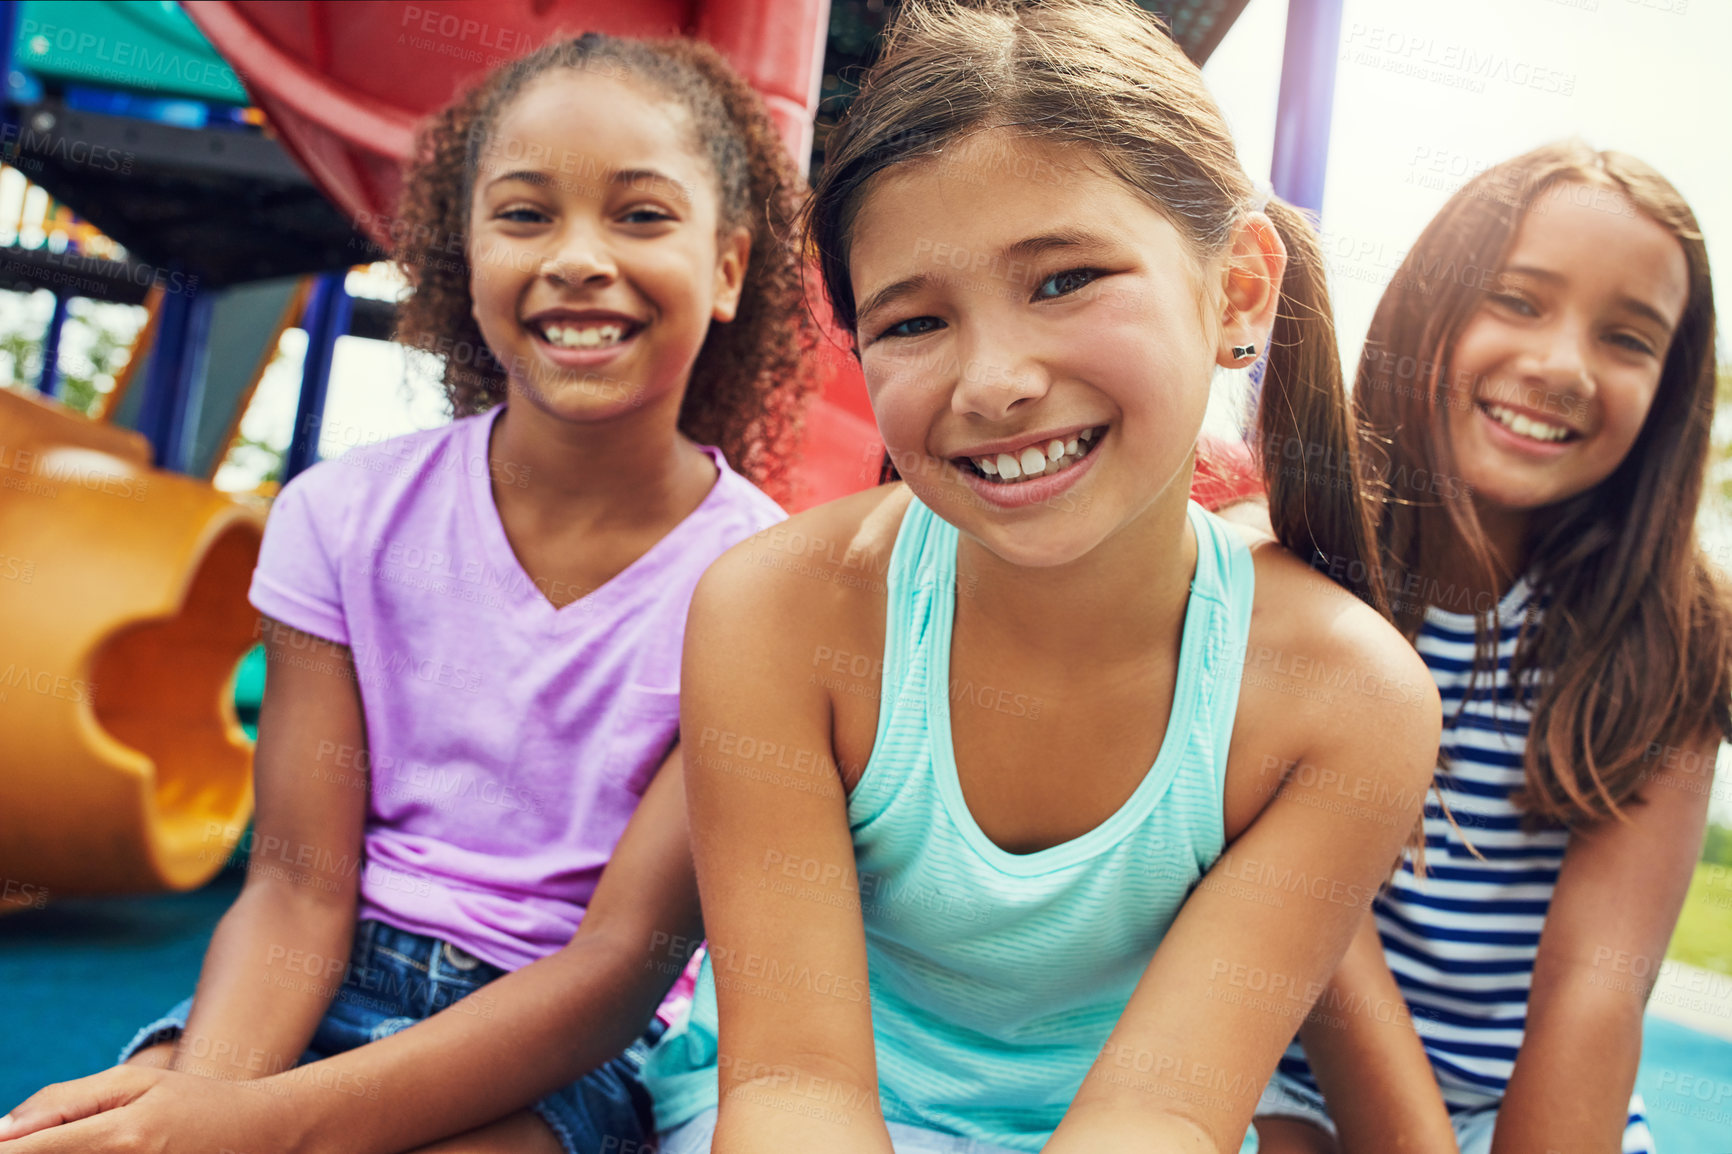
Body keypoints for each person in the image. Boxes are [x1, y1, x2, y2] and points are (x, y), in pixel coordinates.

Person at [639, 2, 1441, 1151]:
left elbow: (1160, 1114)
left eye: (1063, 279)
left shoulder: (1347, 698)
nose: (995, 380)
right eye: (913, 320)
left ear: (1241, 291)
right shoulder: (774, 612)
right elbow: (797, 1089)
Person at [0, 31, 815, 1154]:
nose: (578, 257)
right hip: (323, 976)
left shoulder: (764, 590)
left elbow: (612, 970)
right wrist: (211, 1103)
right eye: (526, 215)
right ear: (459, 259)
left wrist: (260, 1128)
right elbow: (296, 887)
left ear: (728, 267)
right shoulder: (343, 518)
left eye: (640, 215)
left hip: (553, 1045)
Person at [1255, 142, 1732, 1154]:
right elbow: (1318, 941)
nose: (1562, 365)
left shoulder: (1676, 639)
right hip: (1270, 1069)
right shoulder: (1290, 574)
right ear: (1429, 303)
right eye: (1516, 300)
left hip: (1508, 1103)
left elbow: (1595, 991)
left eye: (1628, 337)